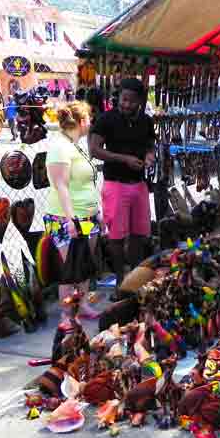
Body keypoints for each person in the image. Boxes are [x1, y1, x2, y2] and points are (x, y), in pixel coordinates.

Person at [89, 78, 155, 298]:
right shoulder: (106, 119)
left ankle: (134, 279)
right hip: (115, 185)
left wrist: (149, 156)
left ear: (139, 101)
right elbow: (94, 149)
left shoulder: (146, 121)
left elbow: (149, 145)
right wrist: (123, 159)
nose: (126, 104)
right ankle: (119, 280)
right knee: (117, 237)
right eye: (123, 99)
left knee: (138, 234)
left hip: (139, 184)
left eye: (131, 101)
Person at [44, 101, 101, 322]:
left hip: (87, 216)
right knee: (70, 269)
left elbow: (86, 183)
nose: (91, 122)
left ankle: (83, 305)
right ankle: (67, 314)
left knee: (84, 265)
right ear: (81, 121)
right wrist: (70, 219)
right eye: (89, 118)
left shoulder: (75, 144)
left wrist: (97, 212)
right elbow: (61, 185)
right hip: (67, 217)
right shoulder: (60, 146)